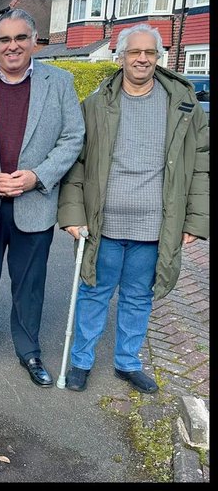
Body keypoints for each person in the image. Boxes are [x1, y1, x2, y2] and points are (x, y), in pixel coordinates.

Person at [57, 26, 208, 394]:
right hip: (103, 223)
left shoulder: (183, 105)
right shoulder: (96, 105)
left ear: (160, 57)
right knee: (93, 291)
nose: (142, 59)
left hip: (155, 225)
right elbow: (77, 163)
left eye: (150, 53)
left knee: (139, 296)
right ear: (121, 57)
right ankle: (81, 361)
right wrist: (73, 215)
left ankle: (127, 362)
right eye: (134, 52)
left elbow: (201, 163)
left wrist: (196, 219)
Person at [0, 9, 85, 386]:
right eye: (4, 40)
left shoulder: (59, 82)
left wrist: (36, 177)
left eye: (20, 38)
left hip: (35, 204)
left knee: (29, 286)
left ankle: (30, 352)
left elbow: (73, 137)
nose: (12, 46)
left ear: (34, 40)